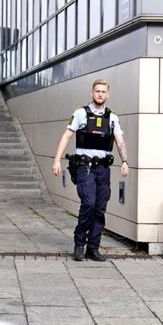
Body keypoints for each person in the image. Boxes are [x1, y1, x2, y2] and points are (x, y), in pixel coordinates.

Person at [51, 79, 130, 262]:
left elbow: (119, 141)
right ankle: (79, 244)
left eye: (103, 91)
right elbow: (67, 136)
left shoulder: (112, 117)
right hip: (84, 168)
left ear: (107, 94)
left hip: (103, 169)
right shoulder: (80, 113)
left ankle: (93, 248)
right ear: (92, 93)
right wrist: (57, 160)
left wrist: (125, 161)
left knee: (100, 209)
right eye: (97, 91)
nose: (100, 94)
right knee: (89, 203)